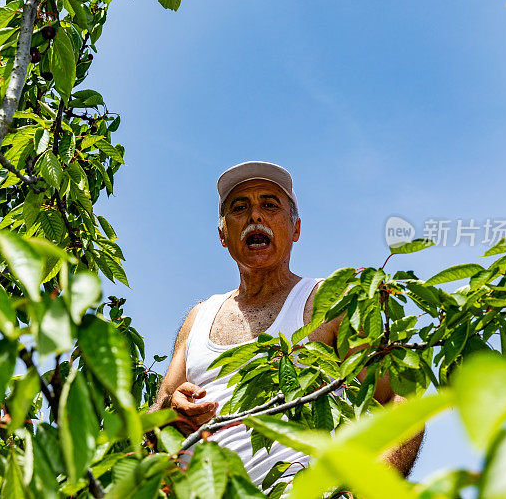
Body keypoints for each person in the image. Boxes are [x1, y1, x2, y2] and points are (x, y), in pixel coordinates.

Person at [149, 161, 423, 489]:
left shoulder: (327, 302)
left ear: (295, 229)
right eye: (239, 207)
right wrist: (172, 408)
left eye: (270, 204)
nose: (255, 216)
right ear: (223, 234)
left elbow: (399, 401)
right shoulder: (199, 316)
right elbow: (156, 416)